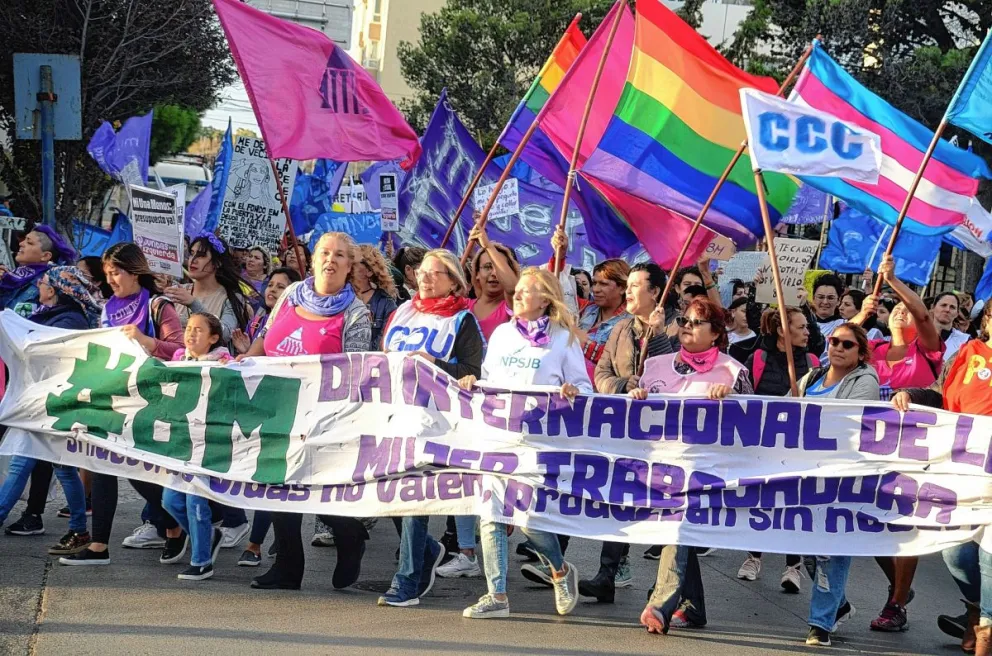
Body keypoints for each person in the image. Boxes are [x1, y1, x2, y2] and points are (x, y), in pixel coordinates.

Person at [238, 232, 372, 590]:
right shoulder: (291, 294)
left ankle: (349, 533)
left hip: (321, 416)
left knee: (313, 489)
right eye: (325, 252)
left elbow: (355, 372)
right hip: (276, 406)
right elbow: (266, 337)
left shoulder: (356, 314)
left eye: (340, 255)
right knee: (276, 484)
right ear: (313, 260)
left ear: (350, 265)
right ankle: (288, 567)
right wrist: (244, 361)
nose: (331, 259)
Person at [456, 267, 587, 619]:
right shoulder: (502, 333)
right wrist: (472, 382)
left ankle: (560, 570)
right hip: (498, 436)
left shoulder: (564, 338)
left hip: (538, 442)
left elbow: (585, 388)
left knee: (528, 518)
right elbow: (488, 380)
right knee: (491, 514)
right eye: (518, 289)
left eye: (527, 290)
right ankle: (496, 595)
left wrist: (572, 391)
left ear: (545, 299)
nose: (517, 294)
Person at [60, 243, 186, 567]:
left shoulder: (158, 305)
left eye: (115, 272)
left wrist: (146, 341)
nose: (110, 280)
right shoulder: (107, 309)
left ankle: (175, 524)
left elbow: (180, 350)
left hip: (152, 403)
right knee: (104, 466)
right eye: (107, 274)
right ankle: (99, 545)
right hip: (114, 399)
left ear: (134, 272)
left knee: (140, 473)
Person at [635, 298, 753, 635]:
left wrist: (733, 399)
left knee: (677, 526)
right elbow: (636, 414)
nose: (687, 326)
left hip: (707, 471)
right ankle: (693, 606)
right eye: (684, 320)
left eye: (696, 322)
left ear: (716, 333)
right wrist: (636, 396)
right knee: (678, 529)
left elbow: (756, 423)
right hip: (660, 467)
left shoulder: (733, 372)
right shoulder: (656, 365)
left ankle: (660, 604)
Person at [378, 248, 484, 608]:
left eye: (434, 273)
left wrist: (433, 363)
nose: (424, 278)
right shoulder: (402, 312)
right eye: (422, 271)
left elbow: (473, 373)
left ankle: (406, 580)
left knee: (413, 499)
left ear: (453, 282)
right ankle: (427, 549)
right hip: (393, 415)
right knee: (385, 496)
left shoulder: (463, 321)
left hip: (435, 422)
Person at [847, 256, 943, 632]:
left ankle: (897, 603)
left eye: (907, 308)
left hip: (914, 454)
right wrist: (862, 315)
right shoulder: (873, 350)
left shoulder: (927, 350)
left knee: (906, 527)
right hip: (869, 453)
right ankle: (899, 586)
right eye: (896, 309)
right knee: (868, 525)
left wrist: (893, 282)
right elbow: (838, 345)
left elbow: (922, 313)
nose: (902, 312)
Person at [893, 301, 992, 655]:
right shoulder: (968, 353)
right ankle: (974, 608)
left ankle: (985, 629)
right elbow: (939, 392)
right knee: (955, 552)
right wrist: (911, 395)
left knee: (989, 557)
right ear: (987, 320)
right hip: (961, 471)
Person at [579, 262, 672, 603]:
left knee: (664, 507)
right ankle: (607, 573)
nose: (628, 292)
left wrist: (658, 336)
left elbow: (675, 373)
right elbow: (601, 374)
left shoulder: (677, 326)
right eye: (628, 285)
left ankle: (667, 585)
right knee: (620, 498)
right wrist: (622, 385)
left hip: (663, 434)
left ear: (655, 292)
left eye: (635, 286)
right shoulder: (621, 328)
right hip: (626, 430)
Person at [0, 266, 101, 551]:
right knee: (58, 468)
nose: (39, 287)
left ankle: (79, 530)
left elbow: (45, 352)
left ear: (54, 289)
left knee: (38, 465)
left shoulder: (69, 320)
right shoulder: (53, 316)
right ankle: (79, 530)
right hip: (46, 401)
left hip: (56, 403)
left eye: (43, 283)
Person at [800, 323, 881, 646]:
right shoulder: (811, 377)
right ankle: (839, 605)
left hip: (841, 478)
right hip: (805, 476)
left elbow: (848, 420)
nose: (838, 348)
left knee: (831, 550)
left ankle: (820, 624)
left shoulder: (865, 380)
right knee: (806, 549)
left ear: (860, 353)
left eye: (847, 344)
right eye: (834, 341)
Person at [736, 307, 817, 590]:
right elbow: (745, 397)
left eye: (807, 327)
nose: (808, 332)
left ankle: (793, 566)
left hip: (797, 445)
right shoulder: (758, 359)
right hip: (764, 443)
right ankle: (753, 557)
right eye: (801, 326)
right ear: (783, 330)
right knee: (760, 500)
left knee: (793, 503)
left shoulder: (812, 362)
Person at [161, 312, 230, 581]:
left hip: (207, 442)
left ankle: (201, 561)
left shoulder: (223, 363)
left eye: (199, 330)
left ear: (213, 338)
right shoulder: (178, 360)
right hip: (181, 441)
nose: (191, 333)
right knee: (170, 500)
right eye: (188, 328)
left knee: (195, 500)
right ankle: (208, 536)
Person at [164, 233, 254, 346]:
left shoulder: (230, 298)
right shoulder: (177, 291)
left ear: (217, 263)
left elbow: (225, 334)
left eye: (201, 255)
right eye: (192, 253)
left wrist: (193, 304)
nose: (193, 260)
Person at [0, 225, 76, 316]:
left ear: (45, 256)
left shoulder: (46, 284)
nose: (21, 244)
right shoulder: (11, 276)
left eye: (29, 243)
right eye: (24, 240)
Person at [578, 259, 630, 378]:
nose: (595, 289)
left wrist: (581, 342)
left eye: (603, 284)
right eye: (594, 283)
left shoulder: (631, 322)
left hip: (602, 387)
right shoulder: (586, 308)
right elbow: (558, 293)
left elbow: (619, 362)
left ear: (622, 288)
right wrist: (559, 257)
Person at [232, 267, 302, 354]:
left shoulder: (299, 326)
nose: (272, 289)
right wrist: (246, 351)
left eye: (280, 287)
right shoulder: (255, 324)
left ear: (294, 293)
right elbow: (249, 359)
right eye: (270, 285)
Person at [467, 225, 519, 342]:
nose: (494, 273)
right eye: (488, 267)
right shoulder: (463, 305)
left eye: (499, 269)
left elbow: (513, 290)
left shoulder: (513, 307)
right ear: (477, 273)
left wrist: (488, 246)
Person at [353, 244, 399, 349]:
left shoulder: (386, 304)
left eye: (354, 263)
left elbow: (383, 344)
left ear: (369, 271)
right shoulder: (339, 298)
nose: (348, 266)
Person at [809, 273, 845, 358]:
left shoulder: (845, 325)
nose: (825, 302)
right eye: (821, 297)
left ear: (839, 301)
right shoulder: (803, 324)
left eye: (830, 298)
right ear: (813, 299)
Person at [929, 292, 970, 361]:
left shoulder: (965, 341)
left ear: (957, 313)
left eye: (952, 307)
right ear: (933, 307)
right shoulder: (917, 335)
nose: (947, 309)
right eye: (943, 305)